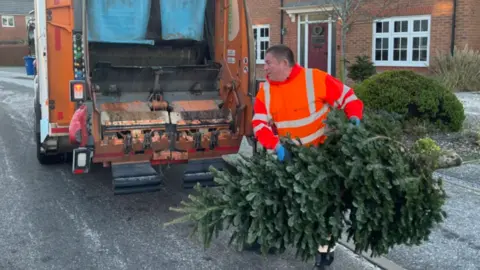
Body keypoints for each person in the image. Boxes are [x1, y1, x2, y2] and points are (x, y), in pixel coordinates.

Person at [252, 44, 364, 269]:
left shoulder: (315, 79)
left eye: (268, 63)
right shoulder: (266, 90)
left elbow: (348, 98)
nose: (265, 68)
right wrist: (276, 147)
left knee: (323, 207)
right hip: (290, 157)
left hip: (322, 157)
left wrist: (354, 118)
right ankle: (272, 239)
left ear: (284, 63)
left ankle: (324, 254)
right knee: (280, 199)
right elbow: (259, 123)